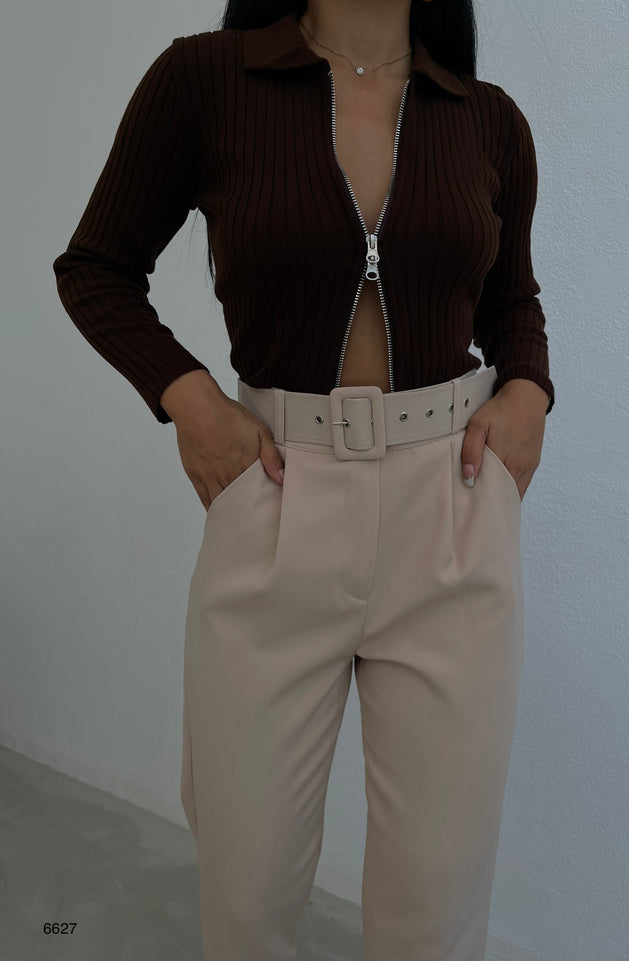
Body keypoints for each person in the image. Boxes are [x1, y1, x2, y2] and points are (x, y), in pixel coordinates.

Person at [52, 0, 554, 958]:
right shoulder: (205, 79)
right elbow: (96, 267)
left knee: (437, 909)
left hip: (450, 511)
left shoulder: (489, 119)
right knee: (246, 893)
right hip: (275, 496)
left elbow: (512, 297)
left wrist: (528, 385)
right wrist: (190, 399)